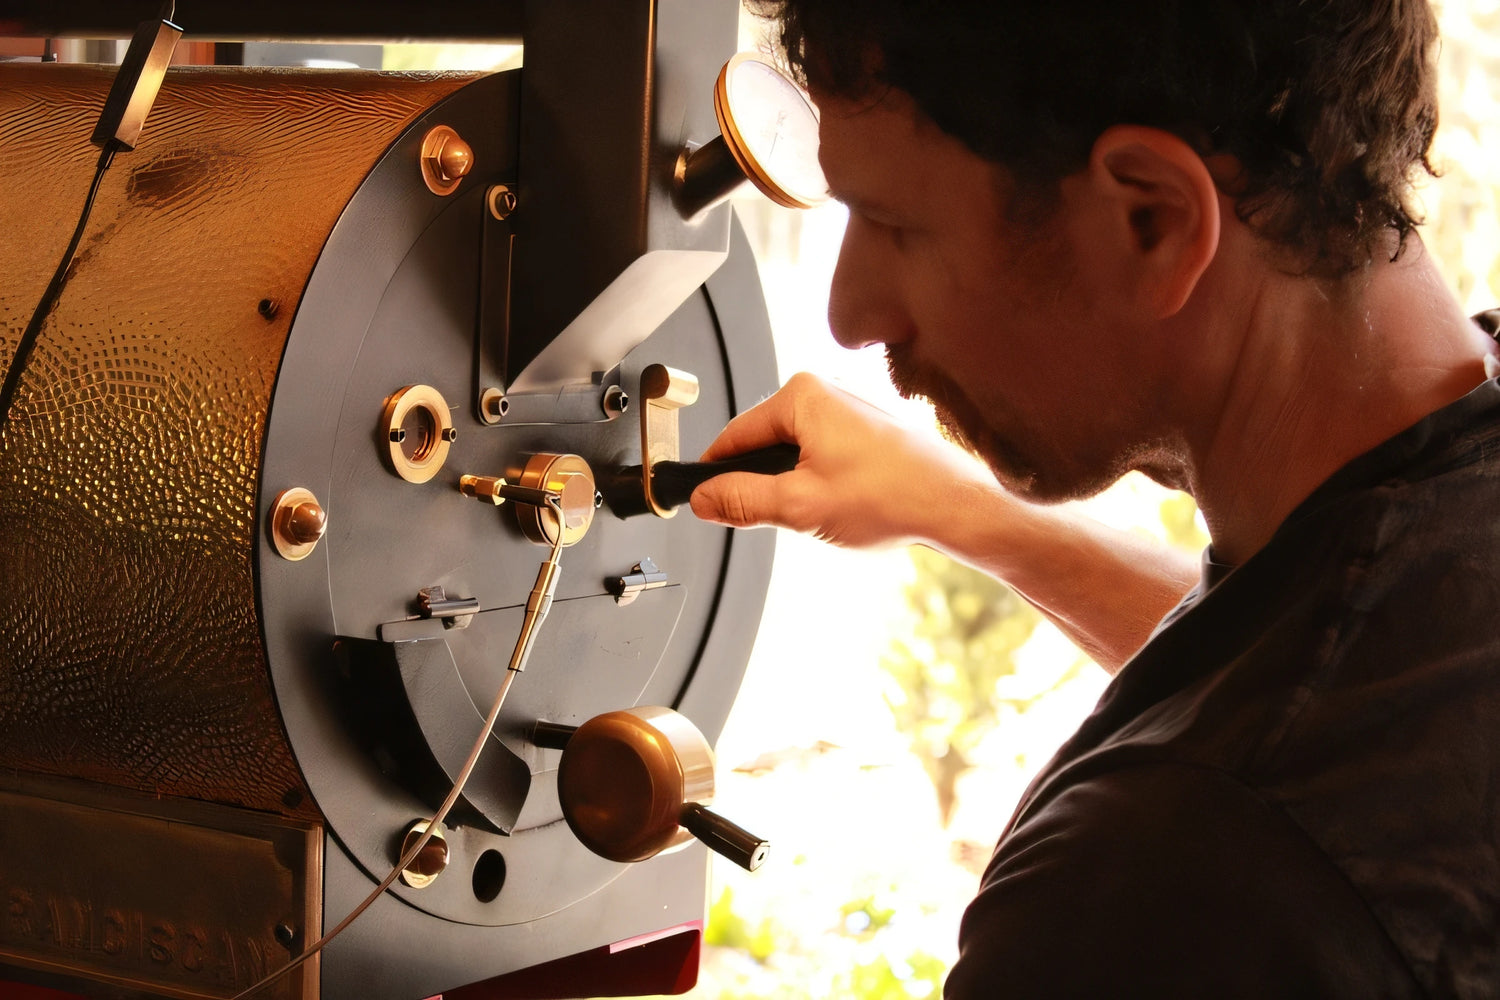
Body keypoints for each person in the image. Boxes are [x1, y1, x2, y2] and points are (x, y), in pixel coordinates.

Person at [691, 1, 1500, 994]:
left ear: (1153, 220)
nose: (850, 314)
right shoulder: (1422, 580)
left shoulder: (1153, 890)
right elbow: (1321, 653)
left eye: (896, 226)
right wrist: (962, 510)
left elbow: (1261, 772)